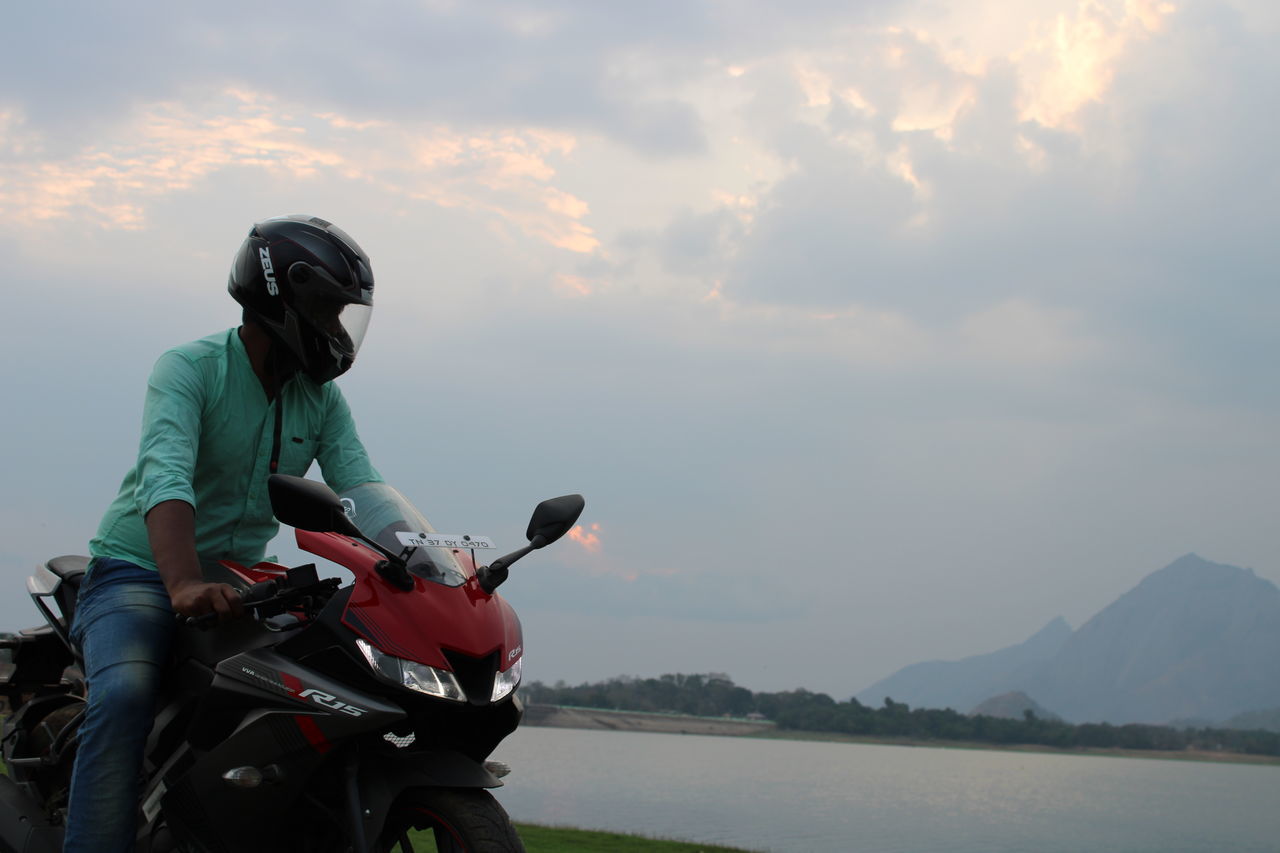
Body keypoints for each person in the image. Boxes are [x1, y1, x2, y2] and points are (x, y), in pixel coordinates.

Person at [65, 215, 383, 853]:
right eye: (327, 308)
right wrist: (181, 580)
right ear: (279, 298)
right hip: (138, 571)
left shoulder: (320, 401)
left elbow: (362, 492)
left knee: (317, 698)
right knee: (126, 693)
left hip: (244, 584)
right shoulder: (189, 368)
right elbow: (166, 474)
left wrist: (428, 563)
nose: (336, 328)